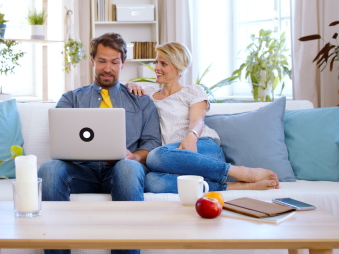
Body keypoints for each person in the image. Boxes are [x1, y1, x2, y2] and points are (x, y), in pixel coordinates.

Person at [38, 32, 161, 254]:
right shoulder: (71, 99)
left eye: (114, 62)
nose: (107, 68)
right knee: (49, 168)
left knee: (128, 168)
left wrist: (134, 156)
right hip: (81, 172)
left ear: (123, 63)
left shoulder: (141, 99)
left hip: (120, 172)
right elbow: (59, 140)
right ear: (92, 61)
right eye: (102, 61)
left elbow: (152, 143)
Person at [127, 42, 279, 193]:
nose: (157, 68)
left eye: (163, 64)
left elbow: (197, 120)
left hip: (201, 148)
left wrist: (191, 137)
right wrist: (130, 84)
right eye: (156, 62)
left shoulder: (192, 91)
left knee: (155, 156)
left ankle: (239, 172)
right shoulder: (148, 93)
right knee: (151, 181)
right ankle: (231, 186)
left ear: (179, 67)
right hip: (172, 160)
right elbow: (121, 91)